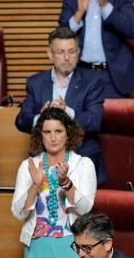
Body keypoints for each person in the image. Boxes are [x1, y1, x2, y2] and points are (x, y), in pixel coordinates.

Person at [12, 107, 96, 258]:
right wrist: (35, 185)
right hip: (36, 245)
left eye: (58, 131)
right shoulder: (29, 166)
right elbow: (18, 213)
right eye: (47, 132)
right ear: (39, 135)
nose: (53, 137)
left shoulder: (83, 164)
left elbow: (85, 208)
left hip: (72, 244)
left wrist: (65, 182)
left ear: (68, 133)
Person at [15, 26, 106, 183]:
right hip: (44, 163)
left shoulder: (92, 82)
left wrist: (67, 112)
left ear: (78, 53)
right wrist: (41, 118)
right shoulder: (36, 83)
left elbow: (95, 121)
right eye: (60, 52)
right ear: (50, 54)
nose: (66, 57)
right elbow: (21, 120)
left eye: (71, 52)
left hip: (82, 159)